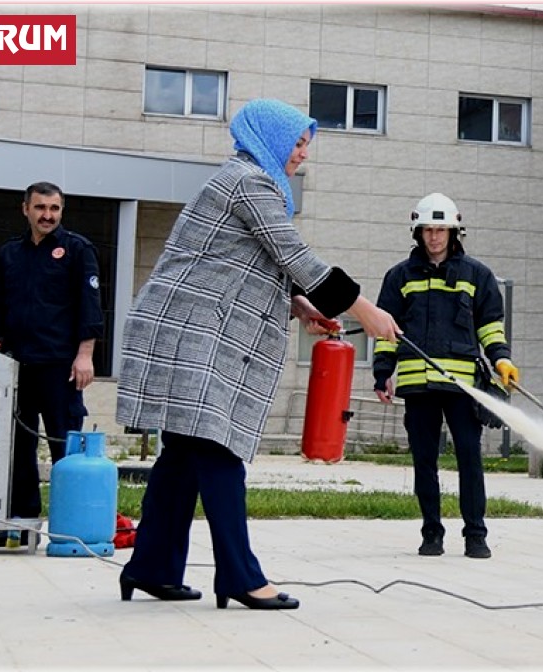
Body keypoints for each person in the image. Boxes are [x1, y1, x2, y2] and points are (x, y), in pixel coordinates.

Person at [115, 98, 400, 611]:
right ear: (270, 139)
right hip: (191, 332)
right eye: (297, 143)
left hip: (190, 329)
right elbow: (295, 256)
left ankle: (151, 566)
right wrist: (368, 313)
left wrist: (302, 307)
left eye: (306, 145)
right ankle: (241, 577)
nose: (303, 155)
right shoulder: (250, 181)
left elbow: (245, 264)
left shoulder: (246, 181)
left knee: (183, 452)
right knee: (219, 450)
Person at [373, 193, 518, 559]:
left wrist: (501, 361)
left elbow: (490, 327)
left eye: (441, 230)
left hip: (461, 386)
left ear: (455, 232)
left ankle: (476, 535)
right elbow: (385, 332)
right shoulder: (399, 277)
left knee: (470, 458)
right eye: (428, 230)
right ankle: (431, 534)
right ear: (417, 233)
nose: (435, 237)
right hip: (418, 386)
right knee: (425, 462)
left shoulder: (477, 275)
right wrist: (382, 374)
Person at [0, 181, 103, 533]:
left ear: (62, 211)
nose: (48, 215)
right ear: (25, 209)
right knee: (17, 445)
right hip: (16, 365)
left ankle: (69, 523)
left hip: (61, 365)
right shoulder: (10, 253)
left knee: (65, 442)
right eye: (41, 208)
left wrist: (85, 355)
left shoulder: (77, 250)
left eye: (54, 209)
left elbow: (90, 307)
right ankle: (21, 519)